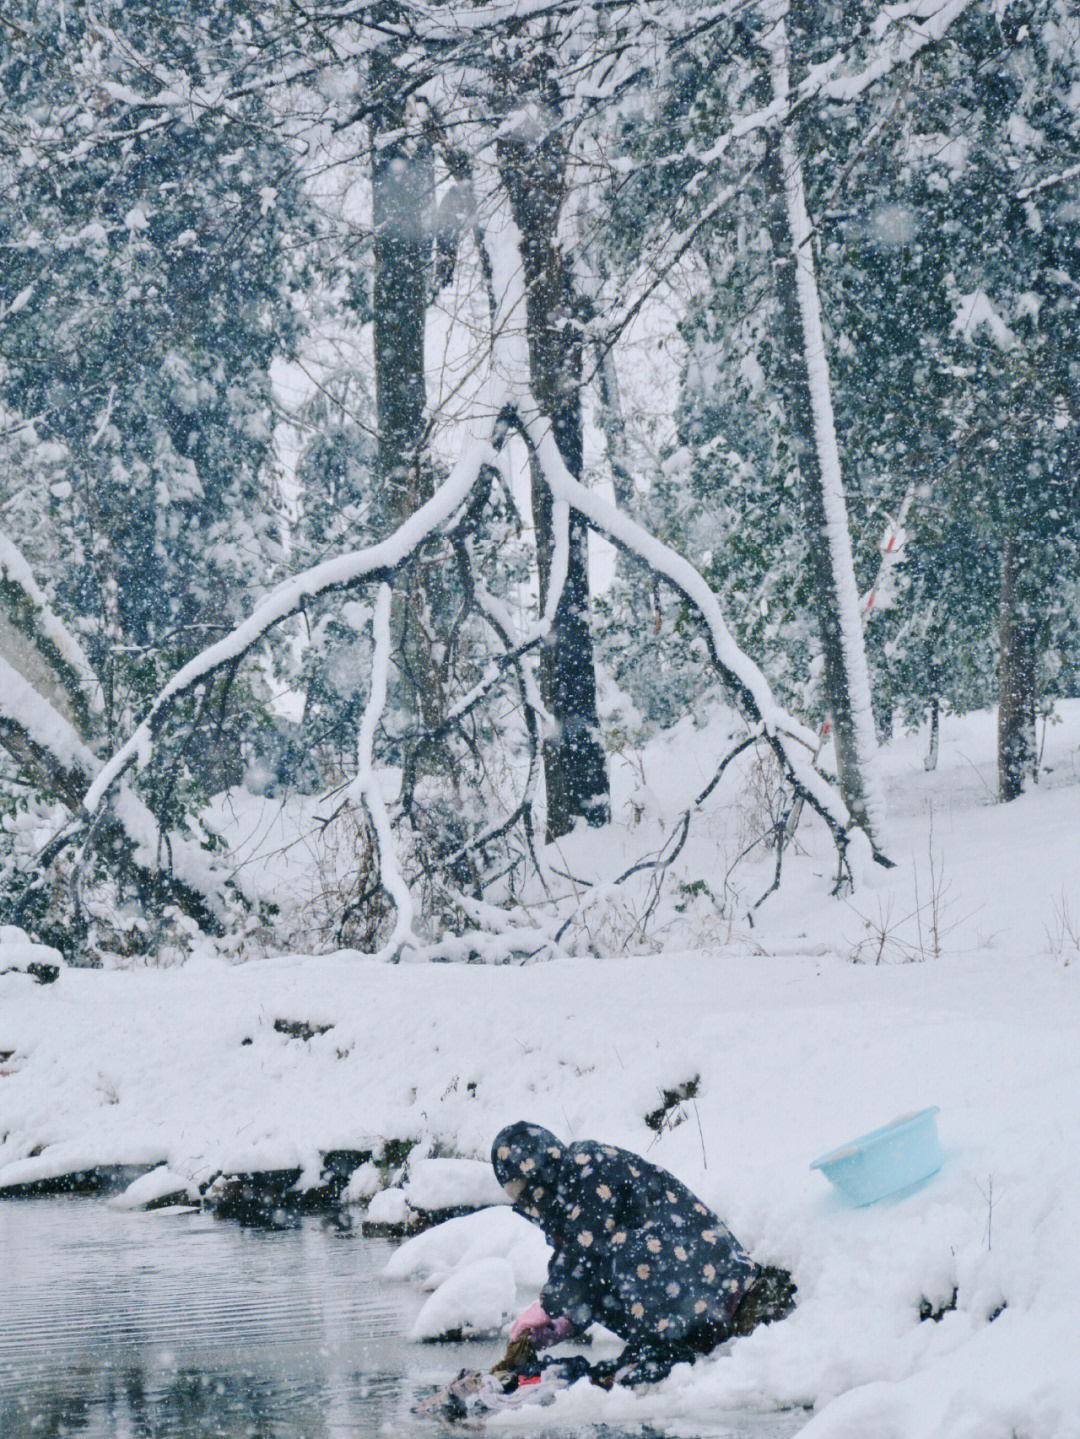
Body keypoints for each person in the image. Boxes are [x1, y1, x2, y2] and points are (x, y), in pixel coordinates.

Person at [491, 1121, 796, 1386]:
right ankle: (662, 1347)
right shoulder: (564, 1207)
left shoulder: (588, 1167)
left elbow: (584, 1255)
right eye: (514, 1193)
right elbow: (590, 1274)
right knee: (604, 1267)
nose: (525, 1199)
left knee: (626, 1250)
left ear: (541, 1166)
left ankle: (664, 1349)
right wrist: (566, 1321)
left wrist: (547, 1304)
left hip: (718, 1283)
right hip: (687, 1301)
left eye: (522, 1186)